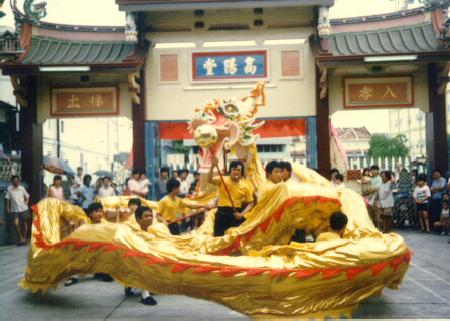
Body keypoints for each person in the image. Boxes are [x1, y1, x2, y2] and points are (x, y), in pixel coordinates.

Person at [65, 202, 112, 286]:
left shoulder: (105, 224)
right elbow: (75, 237)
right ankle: (73, 276)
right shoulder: (85, 225)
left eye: (101, 211)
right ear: (90, 214)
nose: (99, 213)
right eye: (96, 211)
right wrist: (70, 229)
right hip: (87, 251)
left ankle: (101, 271)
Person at [208, 158, 254, 237]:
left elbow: (251, 203)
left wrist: (241, 214)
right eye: (234, 169)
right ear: (230, 171)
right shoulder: (222, 180)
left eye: (238, 170)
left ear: (242, 172)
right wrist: (212, 166)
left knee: (239, 237)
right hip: (222, 213)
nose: (236, 172)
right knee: (218, 238)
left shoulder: (245, 186)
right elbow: (209, 180)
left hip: (235, 214)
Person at [124, 206, 157, 306]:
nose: (149, 218)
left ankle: (131, 285)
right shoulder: (134, 234)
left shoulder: (154, 232)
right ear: (138, 219)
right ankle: (144, 294)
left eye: (151, 215)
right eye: (146, 216)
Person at [5, 176, 30, 246]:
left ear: (19, 181)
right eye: (14, 180)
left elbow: (27, 195)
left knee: (25, 223)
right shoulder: (9, 189)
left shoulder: (22, 188)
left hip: (24, 208)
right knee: (16, 224)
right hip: (15, 209)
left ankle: (24, 238)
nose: (16, 182)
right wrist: (8, 207)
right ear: (12, 181)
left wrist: (26, 202)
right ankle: (21, 237)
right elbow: (8, 198)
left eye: (17, 180)